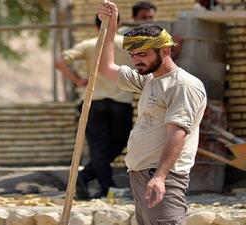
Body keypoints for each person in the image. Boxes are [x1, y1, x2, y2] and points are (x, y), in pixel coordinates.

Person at [98, 2, 207, 224]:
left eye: (143, 54)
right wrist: (110, 26)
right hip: (141, 175)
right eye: (133, 54)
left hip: (164, 177)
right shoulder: (148, 79)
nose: (137, 60)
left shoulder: (182, 85)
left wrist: (160, 177)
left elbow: (177, 133)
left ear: (165, 50)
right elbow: (105, 68)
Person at [55, 15, 133, 199]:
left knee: (99, 148)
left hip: (93, 102)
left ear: (95, 26)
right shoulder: (128, 43)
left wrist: (77, 80)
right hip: (121, 103)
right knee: (118, 143)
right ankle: (107, 188)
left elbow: (60, 62)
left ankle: (85, 177)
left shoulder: (89, 44)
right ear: (118, 23)